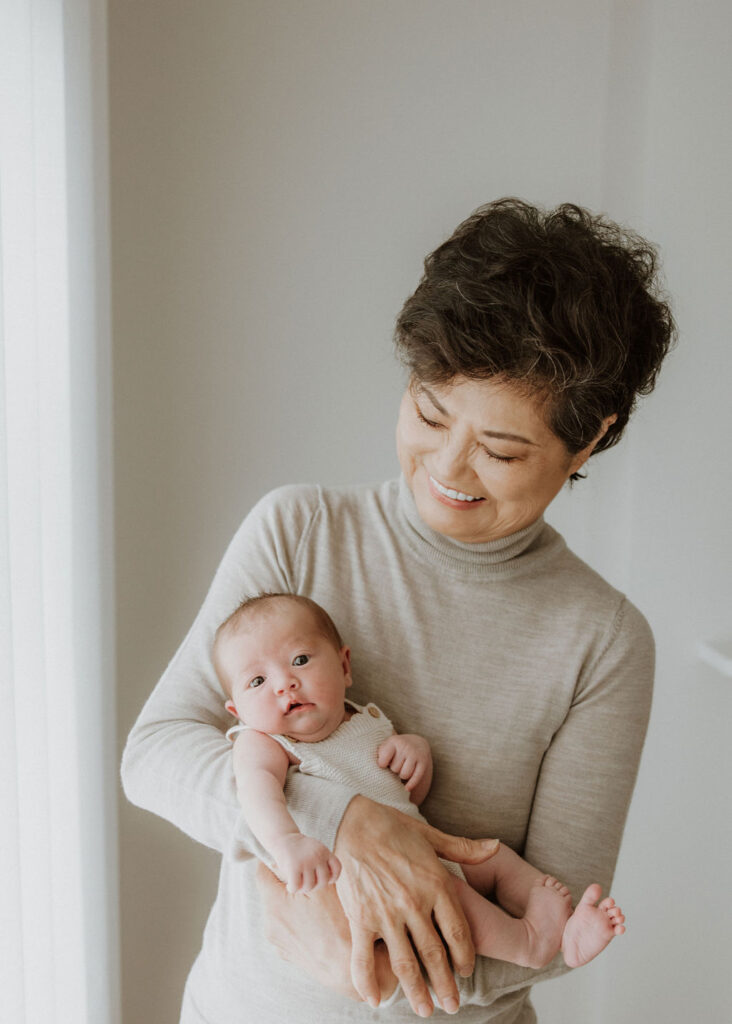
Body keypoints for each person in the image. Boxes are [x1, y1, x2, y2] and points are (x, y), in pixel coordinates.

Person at [122, 198, 674, 1024]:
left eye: (500, 449)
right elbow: (156, 754)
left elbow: (557, 928)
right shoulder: (299, 530)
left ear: (588, 439)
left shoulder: (604, 642)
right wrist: (349, 824)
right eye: (428, 412)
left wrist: (354, 958)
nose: (449, 468)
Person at [215, 591, 627, 977]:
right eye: (257, 682)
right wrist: (287, 840)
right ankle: (532, 944)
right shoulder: (264, 742)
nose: (284, 682)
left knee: (493, 858)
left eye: (300, 659)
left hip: (425, 843)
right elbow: (255, 788)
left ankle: (564, 923)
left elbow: (407, 799)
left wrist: (416, 757)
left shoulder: (365, 720)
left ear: (344, 666)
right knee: (448, 893)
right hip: (374, 882)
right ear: (238, 711)